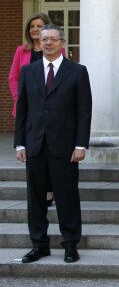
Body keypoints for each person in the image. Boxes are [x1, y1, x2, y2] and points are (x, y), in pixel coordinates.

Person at [14, 24, 92, 264]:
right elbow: (23, 110)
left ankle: (70, 244)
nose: (47, 43)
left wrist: (81, 144)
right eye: (44, 39)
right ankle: (39, 245)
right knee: (35, 198)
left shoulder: (77, 71)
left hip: (65, 146)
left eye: (53, 39)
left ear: (62, 43)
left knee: (67, 196)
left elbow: (84, 111)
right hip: (35, 144)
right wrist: (20, 144)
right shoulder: (28, 71)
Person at [9, 13, 65, 207]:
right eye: (32, 26)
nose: (35, 29)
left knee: (50, 150)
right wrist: (19, 99)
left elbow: (61, 78)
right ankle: (38, 192)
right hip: (29, 109)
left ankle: (50, 191)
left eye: (39, 26)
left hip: (51, 111)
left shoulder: (56, 51)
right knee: (33, 152)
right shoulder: (21, 51)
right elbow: (13, 78)